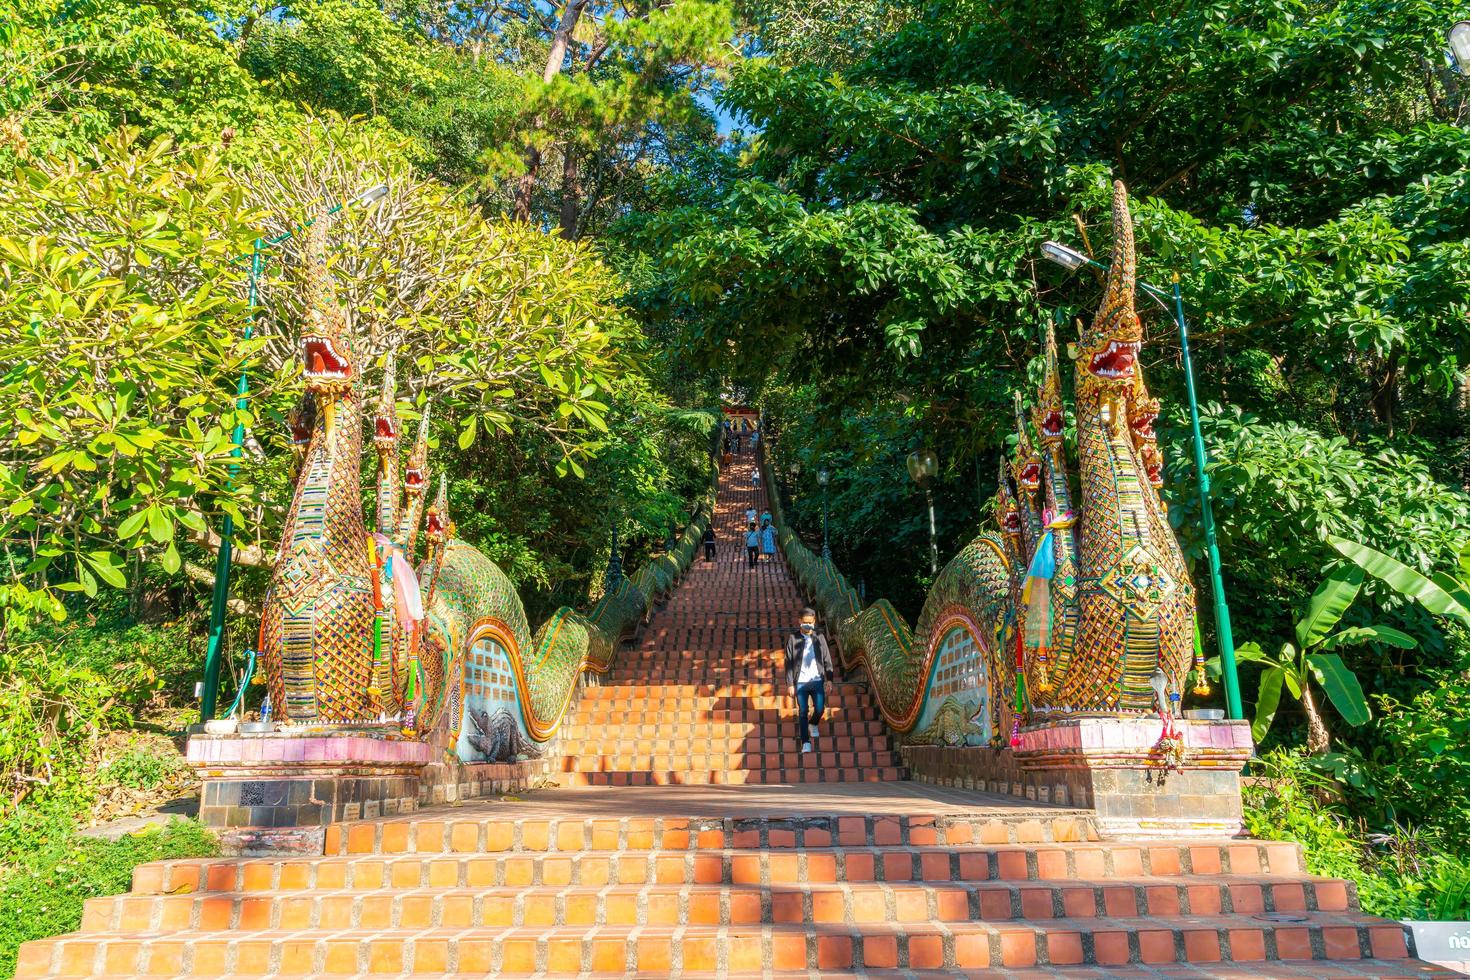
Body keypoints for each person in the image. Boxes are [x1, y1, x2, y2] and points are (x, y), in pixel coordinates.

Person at [783, 608, 834, 754]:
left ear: (814, 622)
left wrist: (829, 680)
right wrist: (790, 684)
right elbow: (789, 662)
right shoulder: (793, 639)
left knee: (820, 708)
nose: (808, 625)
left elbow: (827, 659)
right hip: (800, 682)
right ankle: (805, 741)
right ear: (799, 621)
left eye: (810, 623)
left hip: (817, 680)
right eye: (805, 623)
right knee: (803, 710)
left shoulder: (819, 637)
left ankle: (814, 723)